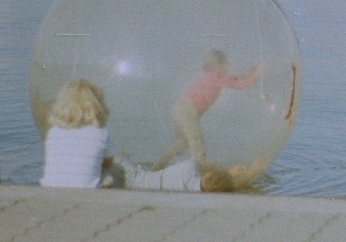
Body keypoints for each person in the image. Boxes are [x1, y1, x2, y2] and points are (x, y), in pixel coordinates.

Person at [152, 49, 264, 170]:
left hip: (178, 109)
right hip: (187, 111)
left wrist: (250, 73)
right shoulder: (216, 79)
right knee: (198, 147)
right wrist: (257, 73)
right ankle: (197, 175)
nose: (228, 67)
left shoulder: (210, 76)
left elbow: (234, 78)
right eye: (226, 64)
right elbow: (239, 84)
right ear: (218, 65)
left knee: (182, 145)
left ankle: (156, 167)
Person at [39, 79, 114, 188]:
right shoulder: (101, 133)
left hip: (50, 189)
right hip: (86, 192)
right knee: (115, 170)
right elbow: (108, 163)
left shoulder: (53, 132)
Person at [114, 154, 268, 193]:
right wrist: (253, 172)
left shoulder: (189, 168)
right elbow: (232, 187)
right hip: (136, 185)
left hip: (132, 176)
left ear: (207, 175)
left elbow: (204, 165)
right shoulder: (193, 194)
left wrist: (227, 171)